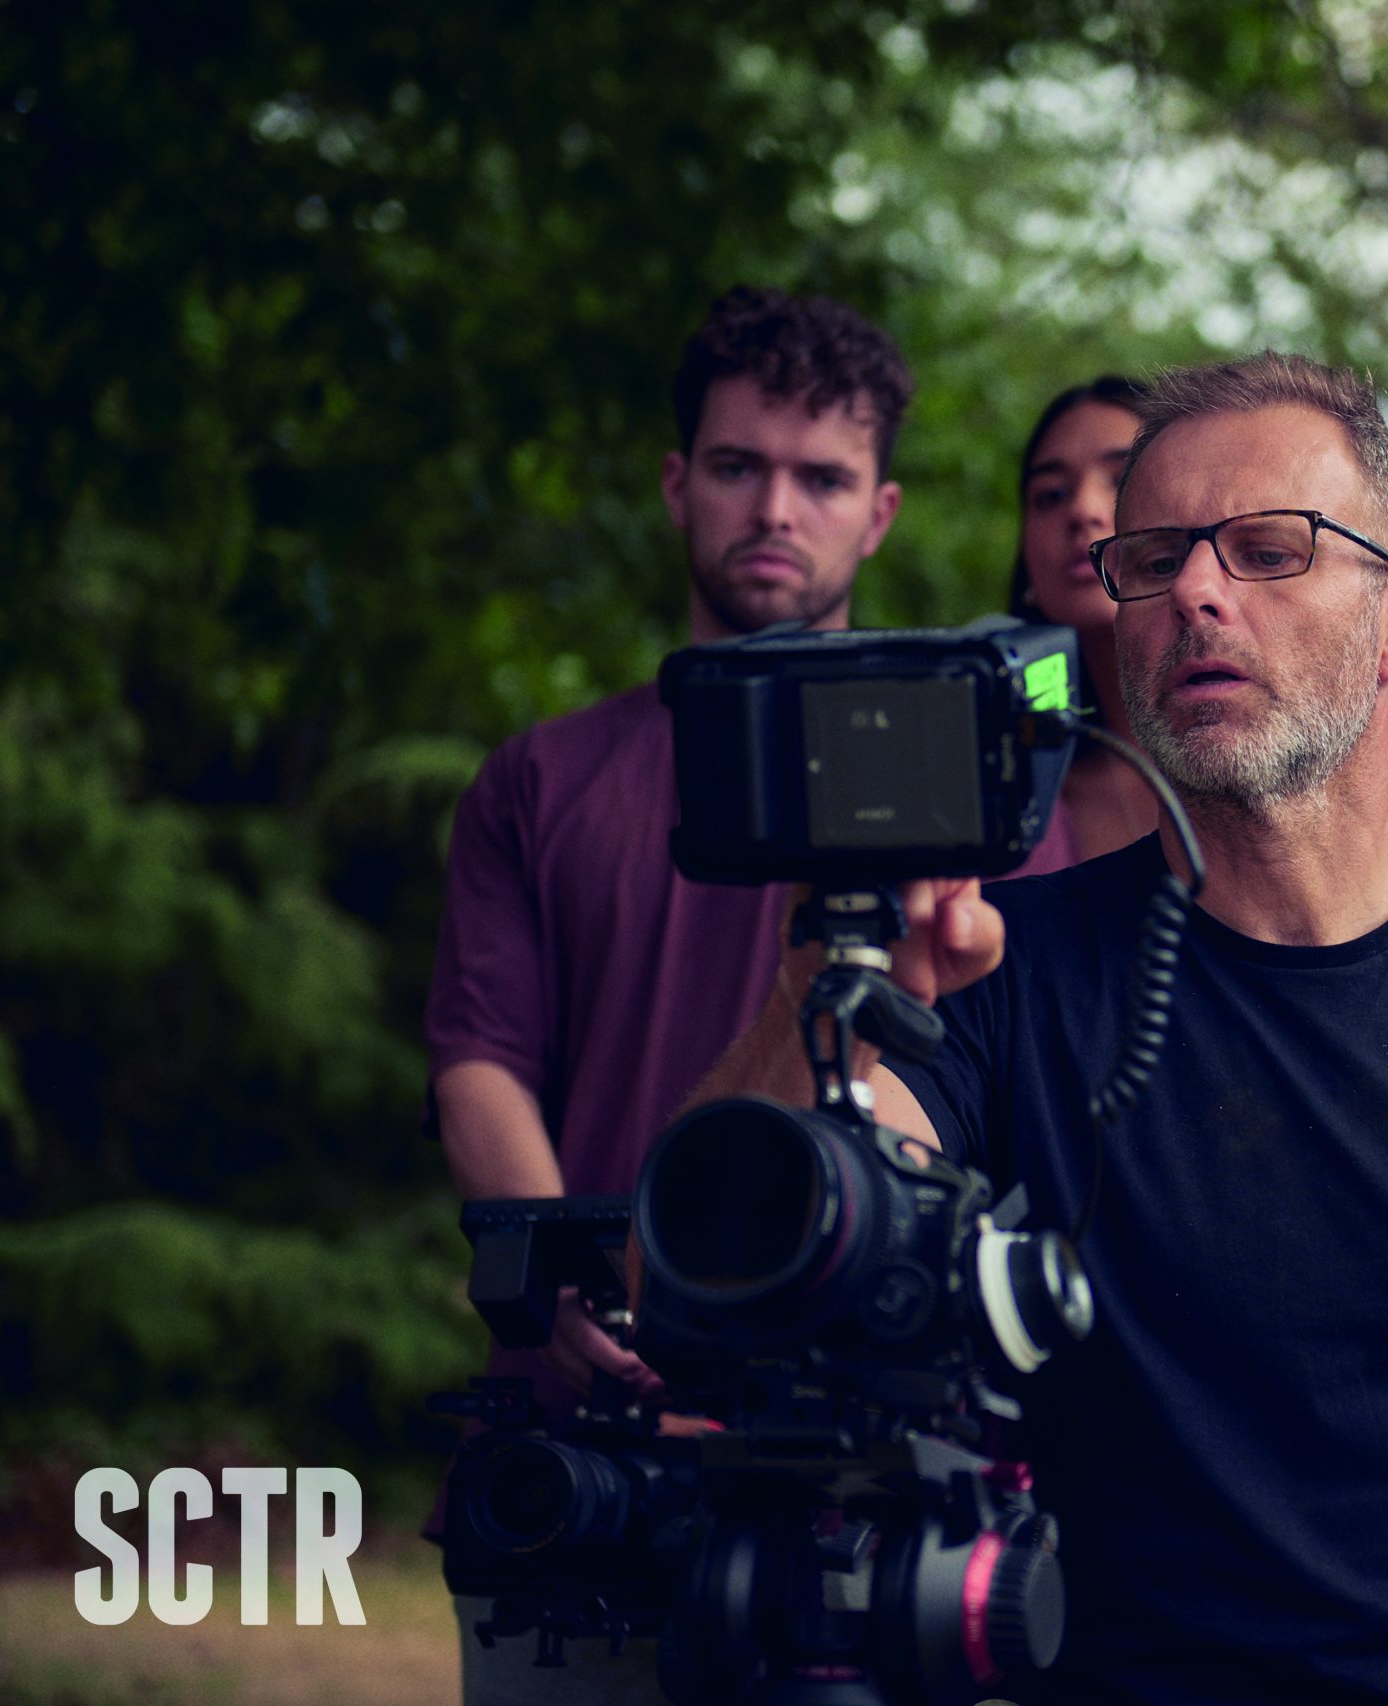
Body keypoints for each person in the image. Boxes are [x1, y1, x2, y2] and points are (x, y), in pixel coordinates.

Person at [700, 352, 1388, 1704]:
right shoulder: (999, 966)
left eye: (1270, 550)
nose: (1197, 591)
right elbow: (695, 1267)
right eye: (1152, 559)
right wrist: (831, 967)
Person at [422, 284, 911, 1701]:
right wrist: (572, 1292)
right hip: (576, 1449)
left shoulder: (960, 780)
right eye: (739, 464)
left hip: (852, 1460)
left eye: (822, 477)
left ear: (876, 513)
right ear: (675, 481)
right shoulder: (541, 777)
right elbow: (481, 1058)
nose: (778, 507)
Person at [1005, 374, 1388, 874]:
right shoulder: (1001, 774)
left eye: (1119, 478)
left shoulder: (1336, 764)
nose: (1082, 510)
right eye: (1050, 495)